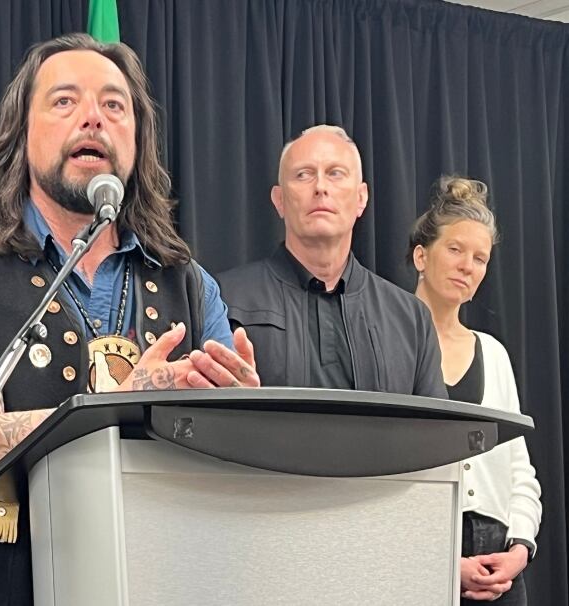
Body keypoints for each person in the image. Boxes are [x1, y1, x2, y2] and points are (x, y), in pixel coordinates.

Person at [0, 33, 258, 605]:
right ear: (22, 134)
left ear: (137, 142)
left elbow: (234, 453)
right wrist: (129, 404)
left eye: (114, 106)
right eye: (65, 101)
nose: (93, 118)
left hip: (155, 581)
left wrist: (243, 409)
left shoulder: (191, 283)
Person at [217, 125, 446, 396]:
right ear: (279, 200)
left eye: (335, 173)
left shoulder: (411, 319)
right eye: (303, 175)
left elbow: (434, 433)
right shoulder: (224, 301)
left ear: (361, 198)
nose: (321, 187)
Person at [409, 176, 541, 604]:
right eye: (455, 249)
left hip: (499, 563)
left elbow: (520, 471)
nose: (468, 266)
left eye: (480, 258)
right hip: (416, 551)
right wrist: (440, 559)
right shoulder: (389, 344)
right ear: (420, 256)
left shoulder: (495, 354)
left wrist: (519, 547)